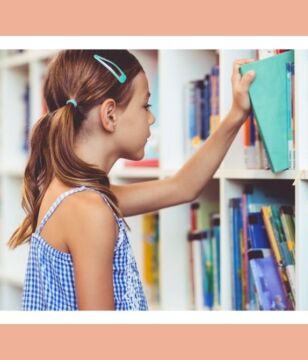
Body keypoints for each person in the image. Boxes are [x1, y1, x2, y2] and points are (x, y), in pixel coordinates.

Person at [7, 50, 255, 310]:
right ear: (110, 114)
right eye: (145, 105)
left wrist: (236, 114)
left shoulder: (77, 195)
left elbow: (182, 187)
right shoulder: (89, 210)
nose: (152, 117)